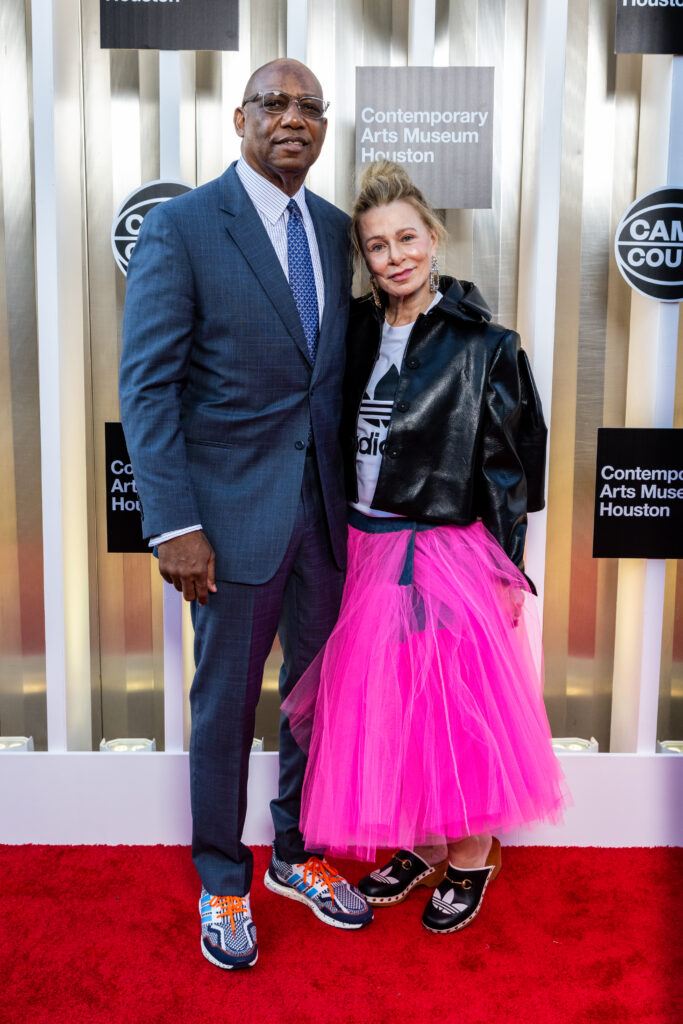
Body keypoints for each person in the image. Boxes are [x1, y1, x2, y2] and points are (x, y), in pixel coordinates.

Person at [119, 59, 373, 972]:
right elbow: (147, 389)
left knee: (314, 702)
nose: (293, 118)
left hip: (325, 521)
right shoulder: (184, 229)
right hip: (223, 527)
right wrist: (174, 524)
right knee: (226, 706)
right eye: (275, 103)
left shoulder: (340, 232)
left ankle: (295, 856)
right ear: (239, 118)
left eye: (310, 107)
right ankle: (223, 877)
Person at [283, 160, 568, 935]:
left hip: (446, 548)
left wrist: (508, 566)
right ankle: (420, 840)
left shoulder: (486, 344)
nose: (394, 256)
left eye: (406, 237)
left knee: (456, 703)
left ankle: (471, 853)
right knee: (394, 705)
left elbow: (510, 470)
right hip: (365, 547)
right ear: (364, 257)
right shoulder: (350, 329)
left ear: (433, 239)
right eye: (376, 246)